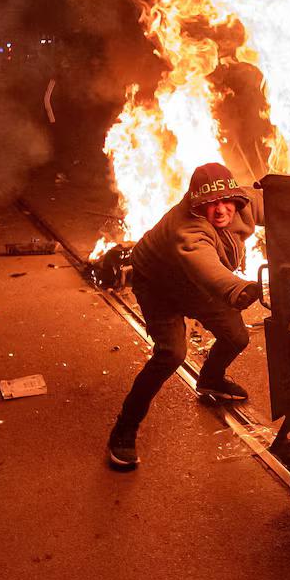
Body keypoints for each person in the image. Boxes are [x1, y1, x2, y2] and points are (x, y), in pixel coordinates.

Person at [107, 163, 262, 469]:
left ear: (236, 196)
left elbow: (277, 203)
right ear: (197, 205)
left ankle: (211, 379)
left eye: (225, 201)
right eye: (211, 205)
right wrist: (237, 288)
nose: (220, 211)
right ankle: (124, 428)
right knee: (171, 353)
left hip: (197, 284)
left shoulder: (241, 202)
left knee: (236, 336)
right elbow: (206, 265)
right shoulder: (187, 228)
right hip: (159, 287)